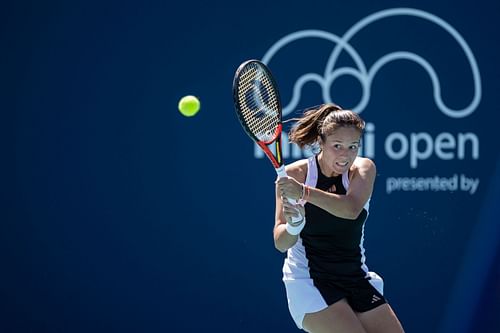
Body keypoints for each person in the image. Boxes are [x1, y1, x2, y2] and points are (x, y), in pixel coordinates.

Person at [274, 103, 404, 333]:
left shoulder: (363, 169)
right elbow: (280, 242)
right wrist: (294, 227)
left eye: (353, 146)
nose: (346, 155)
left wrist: (303, 193)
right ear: (320, 143)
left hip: (354, 277)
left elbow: (351, 208)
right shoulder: (296, 174)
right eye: (337, 146)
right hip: (309, 282)